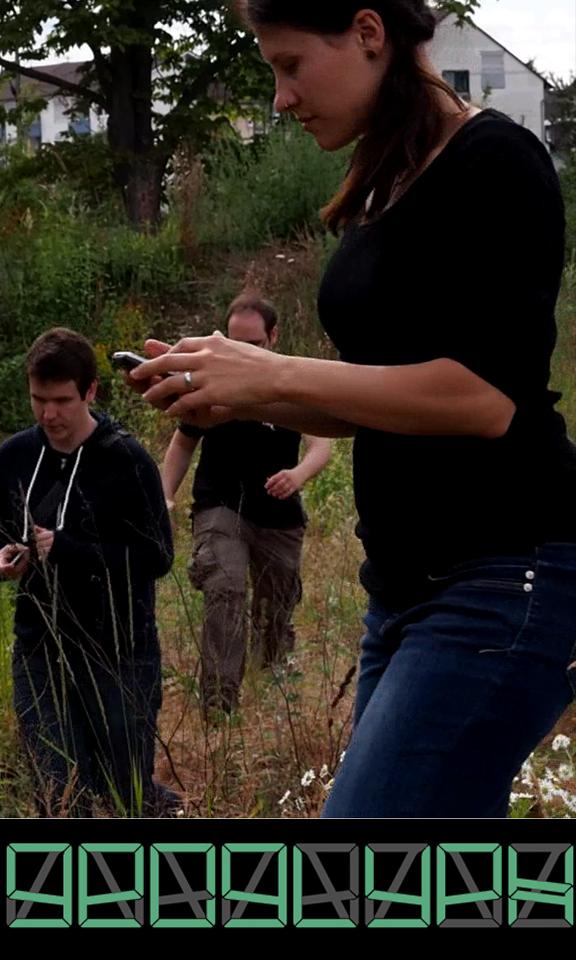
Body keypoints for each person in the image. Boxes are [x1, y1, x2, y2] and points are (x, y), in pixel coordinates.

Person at [131, 1, 576, 818]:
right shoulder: (387, 179)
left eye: (291, 65)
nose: (281, 98)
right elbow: (382, 396)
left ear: (369, 33)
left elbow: (483, 399)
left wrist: (271, 374)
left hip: (501, 575)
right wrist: (238, 391)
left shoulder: (495, 161)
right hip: (401, 590)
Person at [0, 328, 176, 817]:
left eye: (62, 401)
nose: (49, 415)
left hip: (118, 649)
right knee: (57, 791)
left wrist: (69, 550)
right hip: (40, 644)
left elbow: (157, 557)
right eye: (39, 400)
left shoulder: (127, 460)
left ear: (90, 391)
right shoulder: (15, 456)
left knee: (124, 791)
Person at [161, 294, 332, 714]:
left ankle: (271, 675)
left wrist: (298, 475)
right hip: (220, 504)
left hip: (278, 513)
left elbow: (321, 445)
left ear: (273, 336)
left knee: (277, 603)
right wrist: (163, 495)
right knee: (225, 587)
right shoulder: (210, 382)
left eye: (253, 344)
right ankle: (220, 700)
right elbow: (182, 443)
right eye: (236, 342)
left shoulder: (292, 382)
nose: (244, 352)